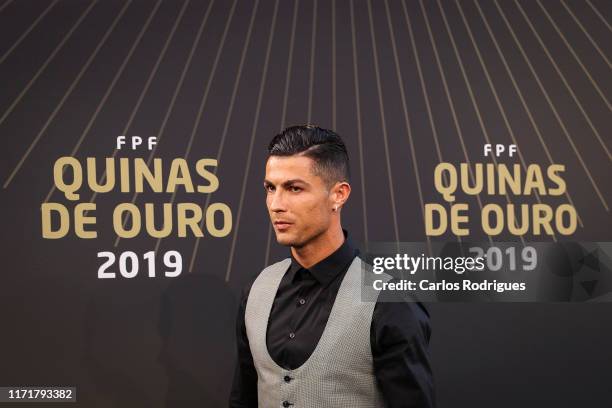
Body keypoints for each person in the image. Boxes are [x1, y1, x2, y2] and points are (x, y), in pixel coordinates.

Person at [229, 125, 434, 407]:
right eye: (270, 188)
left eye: (294, 188)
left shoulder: (389, 300)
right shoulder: (256, 291)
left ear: (338, 194)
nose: (276, 204)